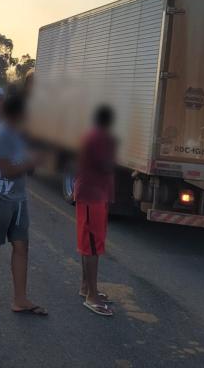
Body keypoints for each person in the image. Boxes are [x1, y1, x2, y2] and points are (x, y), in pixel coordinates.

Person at [0, 95, 46, 316]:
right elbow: (6, 170)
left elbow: (26, 167)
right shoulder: (1, 134)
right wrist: (32, 161)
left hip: (18, 197)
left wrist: (35, 160)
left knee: (21, 245)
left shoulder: (21, 135)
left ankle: (20, 300)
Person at [75, 105, 116, 317]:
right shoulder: (99, 138)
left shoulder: (95, 136)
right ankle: (91, 296)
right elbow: (105, 165)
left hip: (93, 195)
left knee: (88, 244)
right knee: (92, 246)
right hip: (92, 197)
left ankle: (86, 287)